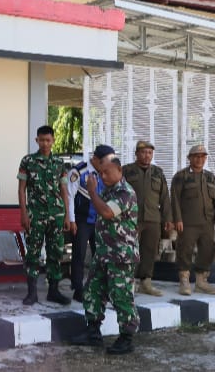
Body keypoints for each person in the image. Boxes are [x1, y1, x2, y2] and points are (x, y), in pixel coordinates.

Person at [71, 154, 139, 355]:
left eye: (107, 172)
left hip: (120, 256)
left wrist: (92, 192)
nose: (102, 176)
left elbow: (107, 212)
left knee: (121, 296)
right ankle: (93, 332)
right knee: (92, 292)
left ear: (119, 171)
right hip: (103, 254)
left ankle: (126, 338)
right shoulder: (108, 191)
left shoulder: (125, 192)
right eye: (100, 173)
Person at [18, 125, 71, 306]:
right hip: (35, 214)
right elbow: (21, 189)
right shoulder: (28, 161)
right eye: (41, 140)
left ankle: (53, 291)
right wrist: (24, 214)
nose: (45, 143)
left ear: (53, 140)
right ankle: (32, 293)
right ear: (36, 140)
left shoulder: (59, 163)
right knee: (33, 253)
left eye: (48, 140)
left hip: (56, 214)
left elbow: (64, 189)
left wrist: (66, 216)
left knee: (55, 253)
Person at [122, 140, 173, 297]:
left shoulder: (158, 172)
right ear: (137, 153)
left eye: (150, 153)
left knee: (150, 251)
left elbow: (165, 197)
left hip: (153, 219)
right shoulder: (126, 171)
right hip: (131, 218)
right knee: (129, 250)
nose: (147, 155)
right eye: (143, 152)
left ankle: (146, 282)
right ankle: (128, 282)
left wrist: (168, 219)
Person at [171, 144, 215, 296]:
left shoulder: (210, 176)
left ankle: (201, 282)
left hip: (207, 222)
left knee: (207, 249)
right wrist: (177, 219)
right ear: (190, 158)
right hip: (188, 222)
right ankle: (184, 281)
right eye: (196, 156)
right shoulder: (181, 176)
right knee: (184, 250)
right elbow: (175, 199)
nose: (200, 159)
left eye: (202, 156)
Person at [66, 145, 115, 302]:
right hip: (82, 220)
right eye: (106, 162)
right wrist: (71, 220)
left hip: (100, 220)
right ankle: (78, 288)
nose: (108, 166)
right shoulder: (78, 171)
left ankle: (99, 288)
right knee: (79, 255)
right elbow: (69, 197)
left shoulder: (106, 173)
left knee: (100, 255)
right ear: (95, 159)